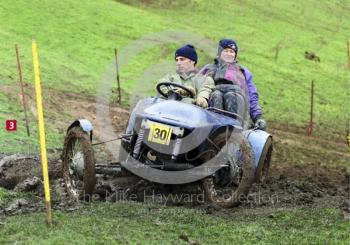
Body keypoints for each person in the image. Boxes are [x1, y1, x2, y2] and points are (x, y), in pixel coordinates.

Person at [200, 39, 267, 130]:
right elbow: (197, 85)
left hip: (237, 102)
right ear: (219, 53)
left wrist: (258, 117)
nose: (229, 54)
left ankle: (233, 130)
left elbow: (251, 95)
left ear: (235, 55)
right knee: (216, 95)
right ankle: (215, 129)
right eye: (226, 51)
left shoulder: (242, 71)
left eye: (232, 52)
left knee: (231, 95)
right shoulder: (208, 69)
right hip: (211, 105)